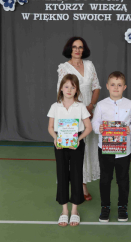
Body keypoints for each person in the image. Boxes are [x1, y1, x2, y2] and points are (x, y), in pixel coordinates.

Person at [92, 71, 131, 222]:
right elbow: (95, 122)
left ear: (124, 87)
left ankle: (122, 207)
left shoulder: (130, 104)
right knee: (105, 179)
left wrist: (130, 129)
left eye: (119, 85)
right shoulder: (100, 105)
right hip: (105, 148)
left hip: (124, 150)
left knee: (123, 179)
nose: (116, 88)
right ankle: (105, 207)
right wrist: (97, 129)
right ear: (107, 86)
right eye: (113, 85)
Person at [57, 36, 101, 200]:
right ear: (69, 49)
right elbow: (62, 93)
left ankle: (83, 183)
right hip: (74, 113)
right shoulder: (63, 68)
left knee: (88, 147)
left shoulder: (89, 65)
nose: (77, 50)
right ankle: (79, 186)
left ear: (84, 49)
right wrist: (77, 111)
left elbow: (96, 87)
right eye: (74, 47)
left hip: (90, 111)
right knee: (76, 149)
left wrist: (90, 107)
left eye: (80, 47)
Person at [48, 74, 92, 227]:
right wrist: (55, 138)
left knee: (76, 174)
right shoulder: (55, 106)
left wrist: (78, 140)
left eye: (73, 87)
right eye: (66, 86)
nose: (69, 89)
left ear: (77, 90)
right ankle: (64, 211)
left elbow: (89, 128)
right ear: (61, 88)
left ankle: (74, 211)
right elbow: (50, 127)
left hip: (76, 144)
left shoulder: (80, 107)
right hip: (60, 143)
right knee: (62, 174)